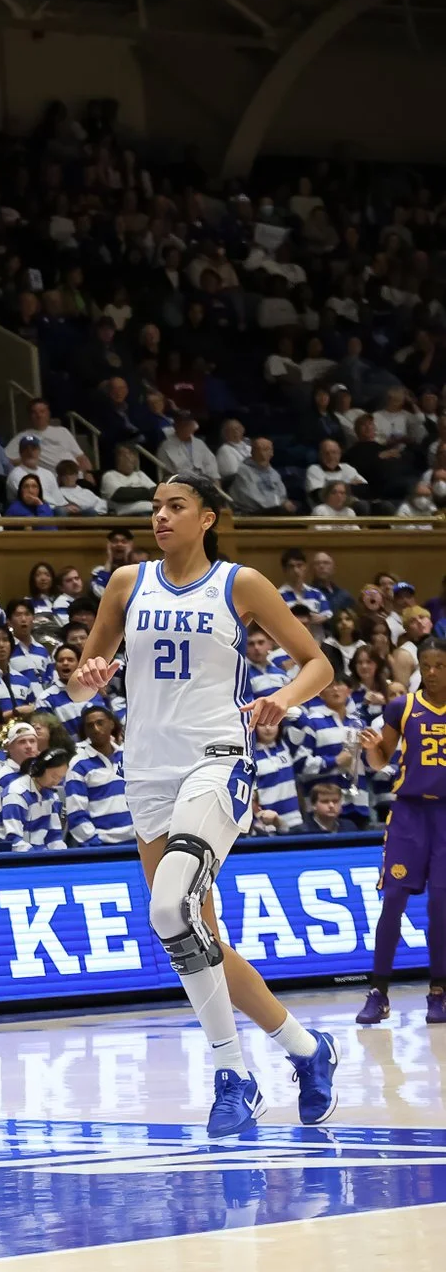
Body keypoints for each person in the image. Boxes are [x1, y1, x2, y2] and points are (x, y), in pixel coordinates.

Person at [65, 474, 339, 1135]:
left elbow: (318, 663)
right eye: (155, 507)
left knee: (168, 905)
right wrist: (88, 677)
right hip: (146, 769)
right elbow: (78, 685)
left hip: (216, 758)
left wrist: (283, 698)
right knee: (194, 930)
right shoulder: (127, 582)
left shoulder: (239, 583)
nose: (159, 516)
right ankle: (307, 1048)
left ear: (207, 517)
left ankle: (232, 1074)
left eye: (174, 506)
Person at [355, 637, 446, 1025]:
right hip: (409, 815)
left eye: (439, 665)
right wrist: (372, 749)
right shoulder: (402, 707)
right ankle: (379, 992)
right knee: (392, 901)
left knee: (441, 907)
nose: (431, 672)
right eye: (425, 665)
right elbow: (380, 763)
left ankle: (438, 993)